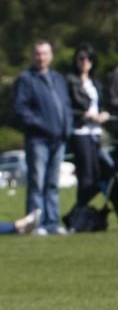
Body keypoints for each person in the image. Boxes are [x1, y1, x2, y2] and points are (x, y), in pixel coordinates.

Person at [12, 39, 72, 235]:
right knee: (37, 182)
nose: (41, 57)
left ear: (51, 55)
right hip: (38, 139)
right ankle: (35, 223)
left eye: (45, 53)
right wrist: (42, 126)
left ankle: (52, 222)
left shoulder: (58, 78)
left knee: (53, 183)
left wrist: (66, 127)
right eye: (38, 53)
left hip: (59, 139)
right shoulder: (26, 79)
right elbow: (21, 109)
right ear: (33, 56)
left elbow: (65, 106)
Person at [64, 43, 110, 212]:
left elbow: (102, 104)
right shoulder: (70, 81)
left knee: (99, 173)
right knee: (86, 174)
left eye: (89, 58)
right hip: (80, 131)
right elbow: (67, 107)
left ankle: (82, 210)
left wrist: (104, 114)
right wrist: (84, 115)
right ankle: (79, 212)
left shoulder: (95, 82)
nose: (85, 62)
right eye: (81, 58)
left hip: (96, 131)